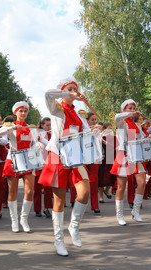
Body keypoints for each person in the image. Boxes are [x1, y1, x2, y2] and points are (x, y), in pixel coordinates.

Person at [38, 77, 92, 257]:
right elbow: (47, 93)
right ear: (63, 91)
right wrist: (68, 93)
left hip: (75, 155)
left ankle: (74, 227)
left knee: (84, 192)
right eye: (70, 89)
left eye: (75, 89)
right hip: (58, 156)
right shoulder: (56, 108)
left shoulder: (78, 114)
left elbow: (85, 133)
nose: (74, 91)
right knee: (59, 201)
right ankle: (58, 240)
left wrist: (95, 131)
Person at [0, 102, 38, 233]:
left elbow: (37, 142)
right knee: (12, 191)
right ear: (16, 112)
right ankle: (14, 220)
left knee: (29, 191)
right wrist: (10, 129)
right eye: (21, 111)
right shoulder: (10, 125)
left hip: (28, 159)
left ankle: (23, 219)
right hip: (13, 159)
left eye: (25, 111)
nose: (23, 113)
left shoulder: (31, 128)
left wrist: (39, 146)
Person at [110, 99, 149, 226]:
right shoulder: (121, 122)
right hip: (124, 155)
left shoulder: (137, 125)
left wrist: (149, 137)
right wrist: (130, 114)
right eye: (130, 108)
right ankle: (119, 215)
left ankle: (135, 211)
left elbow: (141, 139)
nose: (132, 111)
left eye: (134, 108)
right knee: (121, 187)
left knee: (142, 182)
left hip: (136, 155)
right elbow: (117, 116)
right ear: (124, 110)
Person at [34, 117, 53, 218]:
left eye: (50, 125)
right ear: (42, 125)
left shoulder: (51, 135)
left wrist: (41, 139)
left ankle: (46, 208)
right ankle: (37, 209)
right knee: (37, 188)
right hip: (37, 163)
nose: (49, 127)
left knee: (48, 187)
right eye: (47, 125)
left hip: (47, 163)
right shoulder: (35, 133)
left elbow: (50, 145)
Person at [86, 112, 102, 214]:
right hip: (83, 158)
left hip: (95, 158)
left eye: (95, 120)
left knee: (94, 181)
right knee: (81, 181)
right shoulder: (82, 128)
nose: (95, 122)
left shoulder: (98, 131)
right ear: (86, 121)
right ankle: (76, 201)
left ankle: (95, 205)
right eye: (92, 120)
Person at [98, 122, 116, 203]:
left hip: (112, 159)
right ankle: (101, 197)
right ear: (104, 129)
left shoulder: (114, 138)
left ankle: (107, 190)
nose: (110, 130)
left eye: (111, 128)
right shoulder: (102, 137)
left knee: (111, 177)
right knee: (102, 178)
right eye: (108, 128)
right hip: (104, 159)